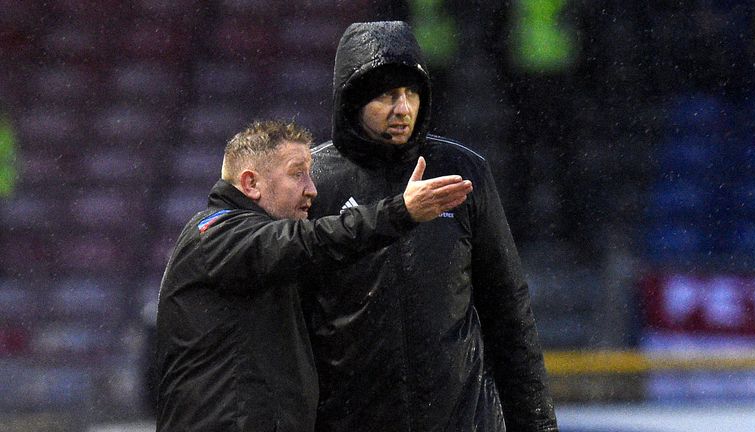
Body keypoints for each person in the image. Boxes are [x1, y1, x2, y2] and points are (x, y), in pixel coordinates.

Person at [306, 21, 559, 432]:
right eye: (387, 95)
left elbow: (508, 312)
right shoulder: (315, 183)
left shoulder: (462, 172)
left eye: (411, 93)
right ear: (352, 99)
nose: (403, 108)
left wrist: (538, 425)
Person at [154, 119, 472, 432]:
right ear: (251, 184)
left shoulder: (257, 255)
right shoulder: (217, 234)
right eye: (298, 174)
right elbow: (311, 241)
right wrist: (398, 212)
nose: (312, 189)